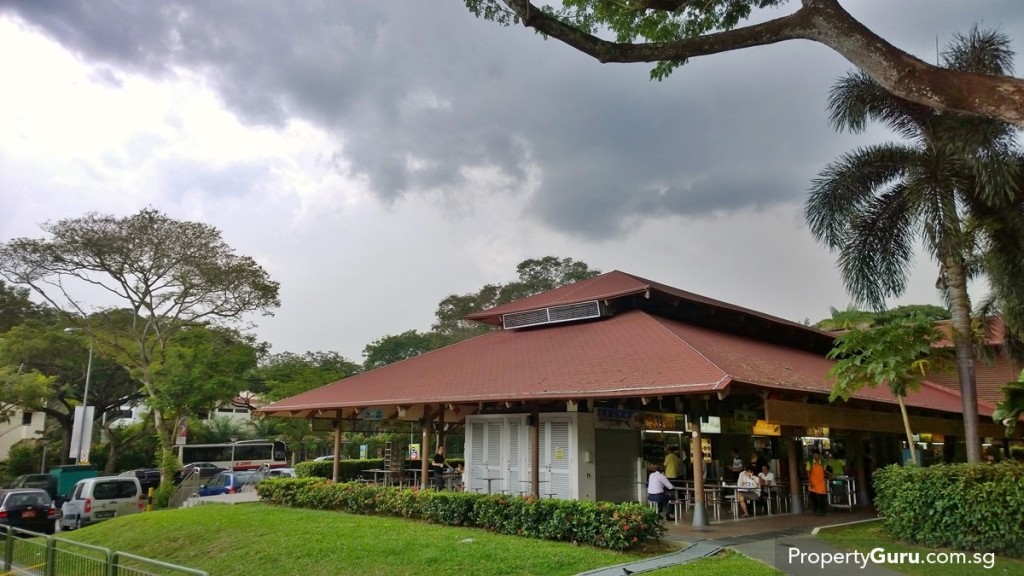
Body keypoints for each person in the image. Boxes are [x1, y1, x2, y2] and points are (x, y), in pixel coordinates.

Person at [807, 450, 830, 515]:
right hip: (813, 482)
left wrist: (831, 474)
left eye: (816, 455)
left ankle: (822, 510)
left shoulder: (823, 462)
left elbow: (825, 470)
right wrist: (810, 482)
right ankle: (816, 507)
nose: (815, 456)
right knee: (813, 496)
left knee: (822, 496)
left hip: (821, 482)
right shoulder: (810, 462)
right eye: (814, 455)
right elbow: (808, 472)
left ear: (819, 455)